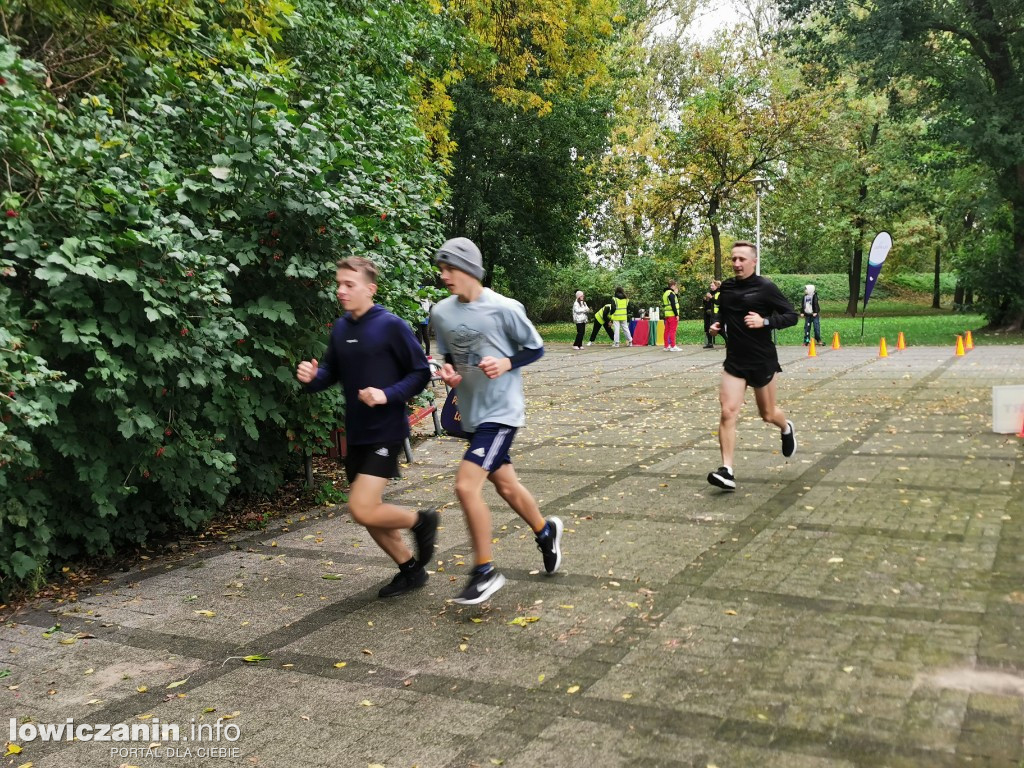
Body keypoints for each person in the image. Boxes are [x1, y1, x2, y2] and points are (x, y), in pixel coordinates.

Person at [430, 237, 562, 605]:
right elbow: (449, 357)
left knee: (466, 486)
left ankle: (484, 571)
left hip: (502, 412)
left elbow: (535, 347)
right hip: (471, 412)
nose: (443, 276)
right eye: (441, 269)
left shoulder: (505, 308)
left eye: (449, 269)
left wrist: (506, 362)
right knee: (506, 485)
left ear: (469, 269)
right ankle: (545, 530)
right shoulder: (442, 312)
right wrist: (451, 374)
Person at [296, 257, 439, 597]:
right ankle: (410, 570)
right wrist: (312, 378)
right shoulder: (342, 328)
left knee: (362, 508)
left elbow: (421, 372)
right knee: (371, 515)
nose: (341, 290)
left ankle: (421, 520)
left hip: (385, 430)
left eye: (349, 284)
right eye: (339, 284)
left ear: (370, 289)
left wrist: (386, 394)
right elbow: (330, 372)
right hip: (357, 432)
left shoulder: (391, 325)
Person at [707, 242, 798, 491]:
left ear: (754, 261)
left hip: (761, 360)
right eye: (734, 259)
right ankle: (727, 471)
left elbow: (791, 316)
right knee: (728, 412)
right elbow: (721, 313)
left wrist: (765, 321)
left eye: (742, 259)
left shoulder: (766, 287)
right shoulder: (726, 287)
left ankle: (786, 426)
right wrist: (715, 325)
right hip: (735, 361)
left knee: (767, 414)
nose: (737, 264)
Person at [662, 279, 680, 351]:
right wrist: (677, 315)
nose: (676, 287)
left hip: (667, 314)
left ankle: (666, 346)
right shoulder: (671, 293)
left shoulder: (665, 293)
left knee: (667, 330)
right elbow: (673, 304)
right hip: (672, 315)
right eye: (675, 286)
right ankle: (673, 346)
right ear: (673, 286)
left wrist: (675, 294)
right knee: (673, 330)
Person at [702, 279, 721, 349]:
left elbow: (717, 302)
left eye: (712, 286)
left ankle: (727, 341)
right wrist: (705, 300)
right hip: (707, 313)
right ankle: (709, 343)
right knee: (707, 328)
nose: (711, 287)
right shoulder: (710, 292)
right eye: (710, 286)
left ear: (716, 286)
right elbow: (706, 303)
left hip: (715, 314)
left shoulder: (719, 293)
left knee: (718, 329)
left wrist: (710, 298)